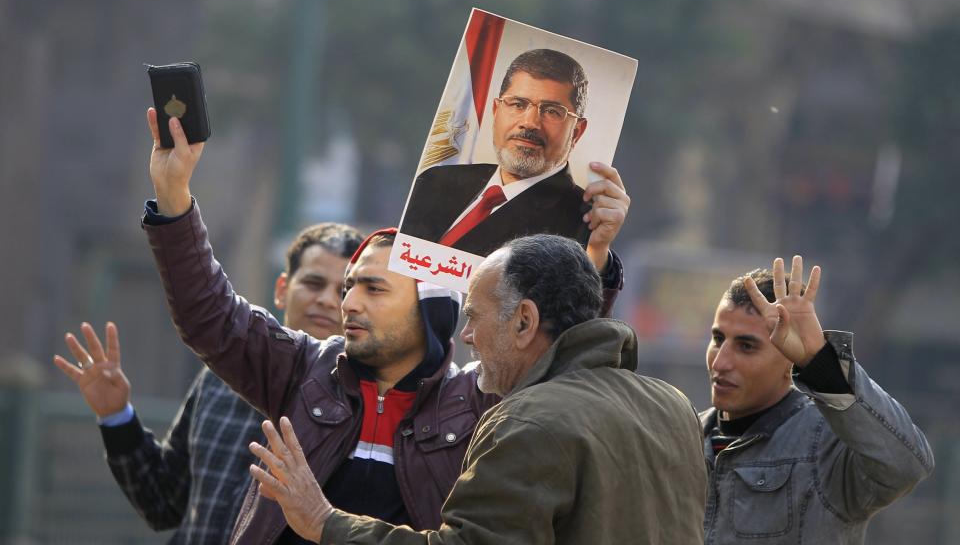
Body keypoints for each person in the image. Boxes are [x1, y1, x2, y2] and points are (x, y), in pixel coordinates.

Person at [139, 108, 628, 544]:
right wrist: (173, 194)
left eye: (374, 289)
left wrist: (596, 255)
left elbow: (556, 349)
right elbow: (210, 316)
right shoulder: (304, 371)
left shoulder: (485, 402)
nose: (346, 302)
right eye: (349, 285)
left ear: (432, 311)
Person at [248, 234, 708, 545]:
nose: (466, 337)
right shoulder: (673, 407)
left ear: (524, 321)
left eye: (474, 317)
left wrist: (322, 521)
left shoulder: (530, 420)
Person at [53, 221, 362, 544]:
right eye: (314, 283)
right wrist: (116, 416)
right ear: (282, 289)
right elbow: (163, 503)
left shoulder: (361, 408)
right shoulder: (218, 379)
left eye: (342, 291)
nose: (327, 300)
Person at [701, 256, 934, 544]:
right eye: (718, 338)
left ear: (790, 358)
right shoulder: (680, 434)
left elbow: (907, 467)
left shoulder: (826, 443)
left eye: (746, 346)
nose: (721, 362)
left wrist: (818, 359)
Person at [401, 48, 605, 257]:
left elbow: (590, 283)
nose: (530, 123)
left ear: (577, 132)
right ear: (496, 111)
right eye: (518, 104)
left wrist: (600, 254)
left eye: (552, 111)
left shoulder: (584, 220)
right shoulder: (436, 180)